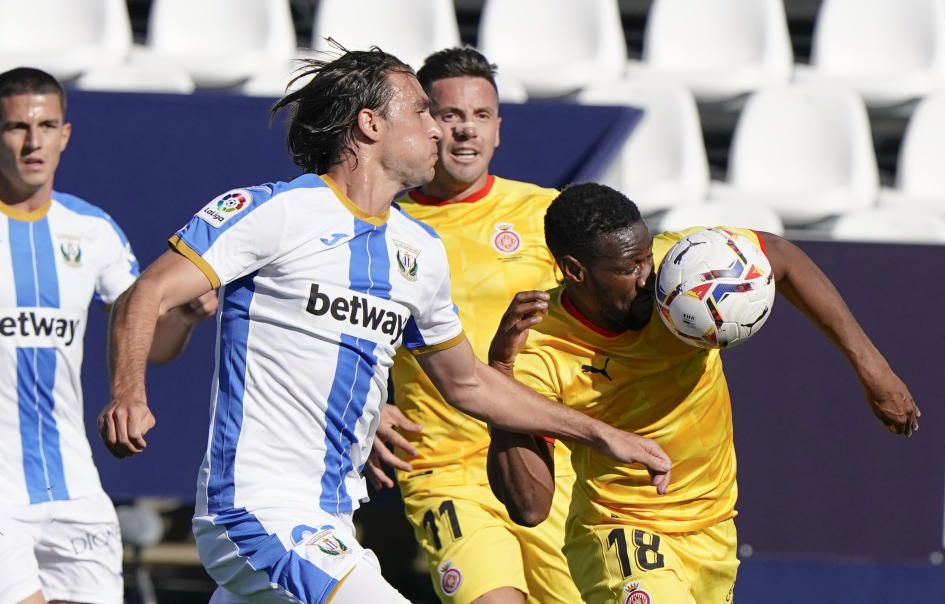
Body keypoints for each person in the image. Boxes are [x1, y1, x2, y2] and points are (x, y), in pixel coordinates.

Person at [96, 47, 670, 604]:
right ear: (370, 124)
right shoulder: (275, 211)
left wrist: (600, 433)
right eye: (422, 111)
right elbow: (144, 294)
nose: (439, 130)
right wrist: (128, 393)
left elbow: (467, 382)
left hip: (333, 519)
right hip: (256, 510)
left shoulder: (417, 249)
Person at [486, 183, 921, 604]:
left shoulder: (682, 270)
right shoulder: (539, 347)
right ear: (575, 271)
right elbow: (531, 506)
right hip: (621, 531)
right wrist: (501, 381)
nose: (647, 278)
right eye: (628, 269)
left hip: (713, 529)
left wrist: (873, 369)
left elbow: (781, 255)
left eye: (646, 258)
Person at [366, 47, 581, 604]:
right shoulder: (383, 223)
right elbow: (343, 329)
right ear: (423, 124)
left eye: (480, 116)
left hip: (545, 462)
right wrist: (365, 410)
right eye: (449, 115)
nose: (466, 131)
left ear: (499, 129)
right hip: (443, 468)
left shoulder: (544, 213)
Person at [0, 67, 216, 604]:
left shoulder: (91, 230)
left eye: (47, 125)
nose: (33, 141)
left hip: (75, 486)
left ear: (65, 135)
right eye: (16, 127)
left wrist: (184, 318)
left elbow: (151, 343)